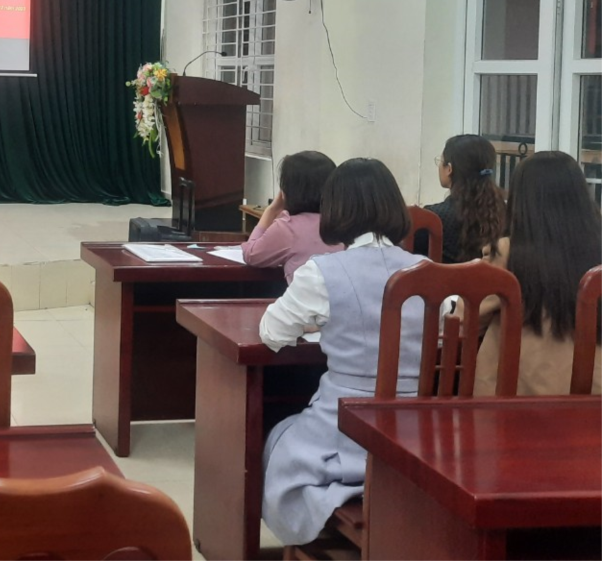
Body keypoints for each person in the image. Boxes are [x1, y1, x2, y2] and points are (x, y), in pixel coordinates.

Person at [258, 158, 424, 547]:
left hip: (345, 428)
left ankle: (314, 538)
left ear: (335, 209)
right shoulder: (428, 270)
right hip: (418, 434)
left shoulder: (323, 271)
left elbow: (272, 333)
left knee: (279, 435)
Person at [473, 151, 602, 395]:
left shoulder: (507, 253)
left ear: (521, 200)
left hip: (516, 396)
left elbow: (467, 320)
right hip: (593, 398)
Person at [242, 151, 343, 282]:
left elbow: (251, 255)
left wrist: (271, 210)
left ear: (288, 191)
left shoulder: (288, 228)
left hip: (305, 295)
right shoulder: (345, 223)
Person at [417, 134, 505, 263]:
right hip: (493, 276)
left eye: (440, 161)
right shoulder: (504, 212)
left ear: (449, 169)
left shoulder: (434, 217)